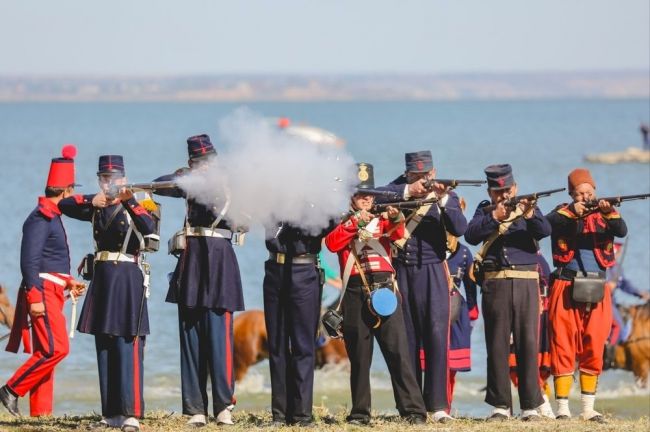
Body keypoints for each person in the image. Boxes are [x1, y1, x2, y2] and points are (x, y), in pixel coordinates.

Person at [152, 134, 245, 427]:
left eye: (208, 162)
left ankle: (223, 406)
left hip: (219, 258)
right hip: (192, 260)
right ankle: (195, 408)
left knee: (220, 337)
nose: (205, 167)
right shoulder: (189, 182)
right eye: (198, 163)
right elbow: (159, 183)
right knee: (190, 337)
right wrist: (186, 176)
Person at [325, 163, 427, 426]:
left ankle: (413, 411)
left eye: (369, 195)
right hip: (355, 291)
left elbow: (399, 237)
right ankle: (360, 413)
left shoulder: (382, 218)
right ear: (351, 197)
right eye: (361, 195)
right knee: (359, 359)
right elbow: (332, 243)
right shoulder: (343, 220)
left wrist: (394, 218)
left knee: (399, 354)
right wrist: (357, 220)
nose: (367, 199)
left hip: (385, 288)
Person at [59, 155, 155, 431]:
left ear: (123, 179)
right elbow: (65, 204)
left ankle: (131, 413)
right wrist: (93, 200)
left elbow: (149, 228)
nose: (108, 182)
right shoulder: (96, 206)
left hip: (127, 277)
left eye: (112, 178)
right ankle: (110, 413)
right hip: (102, 277)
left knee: (128, 343)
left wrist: (129, 199)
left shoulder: (138, 201)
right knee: (104, 345)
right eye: (103, 178)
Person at [377, 150, 467, 422]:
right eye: (416, 176)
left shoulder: (444, 197)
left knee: (437, 336)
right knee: (406, 340)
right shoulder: (397, 189)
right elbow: (375, 196)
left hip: (433, 270)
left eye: (425, 175)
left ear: (434, 173)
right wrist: (408, 190)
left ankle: (438, 405)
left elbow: (460, 228)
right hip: (402, 270)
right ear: (408, 174)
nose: (423, 180)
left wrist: (442, 199)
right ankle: (411, 405)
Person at [1, 146, 86, 417]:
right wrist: (35, 298)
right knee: (55, 349)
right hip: (43, 291)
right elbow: (30, 262)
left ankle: (41, 414)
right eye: (72, 191)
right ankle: (11, 390)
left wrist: (68, 281)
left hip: (52, 288)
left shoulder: (51, 216)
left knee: (45, 353)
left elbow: (50, 261)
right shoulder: (40, 218)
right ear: (66, 191)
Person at [464, 164, 550, 422]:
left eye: (507, 190)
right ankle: (500, 405)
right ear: (490, 192)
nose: (503, 194)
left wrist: (531, 213)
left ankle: (531, 406)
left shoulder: (527, 207)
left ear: (515, 188)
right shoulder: (484, 209)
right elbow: (470, 235)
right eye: (497, 191)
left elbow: (545, 231)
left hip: (525, 282)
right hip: (496, 283)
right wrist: (495, 217)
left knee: (528, 344)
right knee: (497, 344)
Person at [546, 168, 627, 422]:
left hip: (596, 288)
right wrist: (574, 212)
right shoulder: (563, 212)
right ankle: (562, 409)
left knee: (594, 344)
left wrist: (607, 210)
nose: (586, 197)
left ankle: (588, 408)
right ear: (572, 194)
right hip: (566, 285)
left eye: (589, 193)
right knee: (562, 344)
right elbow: (548, 224)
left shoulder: (606, 214)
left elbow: (621, 229)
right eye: (580, 193)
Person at [263, 219, 334, 426]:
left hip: (304, 269)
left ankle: (302, 415)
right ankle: (279, 414)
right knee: (277, 346)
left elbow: (329, 223)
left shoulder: (315, 197)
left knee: (303, 347)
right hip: (274, 267)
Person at [445, 236, 479, 405]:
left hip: (456, 310)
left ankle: (446, 405)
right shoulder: (430, 248)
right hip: (432, 308)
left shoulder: (464, 252)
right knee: (432, 363)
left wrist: (473, 310)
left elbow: (470, 285)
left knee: (452, 366)